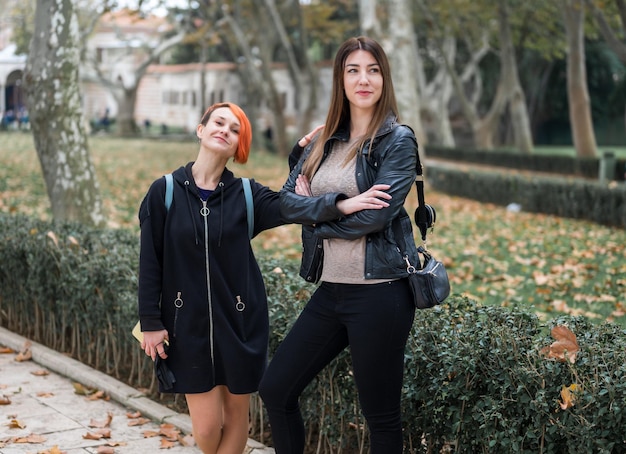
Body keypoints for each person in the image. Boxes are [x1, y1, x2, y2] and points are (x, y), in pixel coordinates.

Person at [258, 36, 421, 453]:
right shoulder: (323, 139)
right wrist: (344, 204)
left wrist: (320, 216)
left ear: (384, 78)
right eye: (353, 70)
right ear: (340, 79)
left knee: (380, 416)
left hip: (381, 294)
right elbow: (288, 203)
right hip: (332, 290)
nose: (363, 79)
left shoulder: (397, 140)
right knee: (276, 390)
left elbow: (379, 216)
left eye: (373, 70)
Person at [137, 102, 285, 454]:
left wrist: (301, 158)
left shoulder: (247, 195)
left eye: (235, 130)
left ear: (238, 146)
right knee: (205, 427)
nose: (225, 131)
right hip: (186, 325)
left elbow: (293, 205)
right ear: (201, 130)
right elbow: (149, 262)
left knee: (237, 418)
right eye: (218, 122)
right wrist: (150, 321)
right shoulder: (165, 191)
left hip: (241, 322)